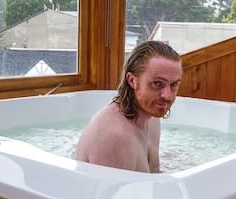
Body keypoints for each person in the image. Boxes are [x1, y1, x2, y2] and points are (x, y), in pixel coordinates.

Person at [75, 40, 182, 172]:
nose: (167, 95)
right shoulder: (115, 137)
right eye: (157, 84)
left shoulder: (153, 117)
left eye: (174, 85)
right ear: (132, 80)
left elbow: (153, 176)